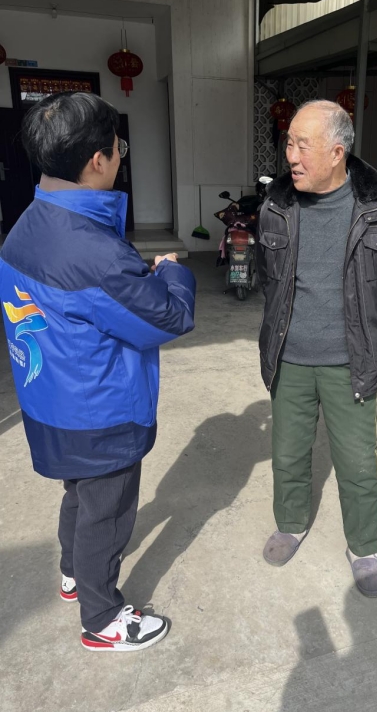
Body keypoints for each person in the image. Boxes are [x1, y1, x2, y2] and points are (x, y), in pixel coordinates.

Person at [0, 92, 196, 651]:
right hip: (99, 413)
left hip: (48, 402)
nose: (118, 157)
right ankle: (102, 617)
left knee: (79, 495)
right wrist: (172, 274)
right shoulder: (96, 255)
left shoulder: (26, 225)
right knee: (106, 515)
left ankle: (72, 573)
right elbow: (168, 318)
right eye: (118, 149)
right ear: (96, 161)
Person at [256, 100, 377, 597]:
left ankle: (363, 547)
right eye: (289, 143)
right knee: (287, 453)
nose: (291, 156)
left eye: (303, 145)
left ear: (337, 152)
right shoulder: (276, 207)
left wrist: (361, 326)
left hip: (351, 362)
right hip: (290, 359)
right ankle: (291, 523)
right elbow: (269, 278)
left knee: (357, 464)